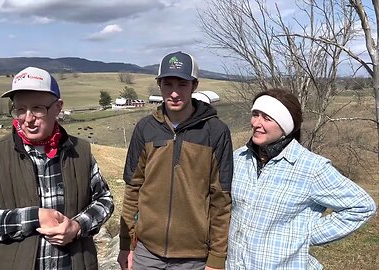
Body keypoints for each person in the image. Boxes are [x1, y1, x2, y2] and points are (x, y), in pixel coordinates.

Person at [0, 66, 114, 270]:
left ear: (58, 108)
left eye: (37, 108)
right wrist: (34, 217)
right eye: (20, 109)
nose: (28, 118)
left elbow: (104, 200)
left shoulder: (80, 152)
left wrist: (77, 226)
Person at [226, 88, 377, 269]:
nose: (256, 123)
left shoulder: (311, 168)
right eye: (255, 114)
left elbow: (361, 206)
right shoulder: (239, 157)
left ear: (286, 126)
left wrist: (303, 235)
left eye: (267, 118)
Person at [117, 51, 233, 270]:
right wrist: (126, 245)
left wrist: (217, 259)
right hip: (146, 253)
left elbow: (221, 199)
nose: (174, 93)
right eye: (168, 84)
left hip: (194, 257)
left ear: (194, 85)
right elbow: (133, 190)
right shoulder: (145, 128)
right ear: (159, 85)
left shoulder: (215, 132)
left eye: (182, 84)